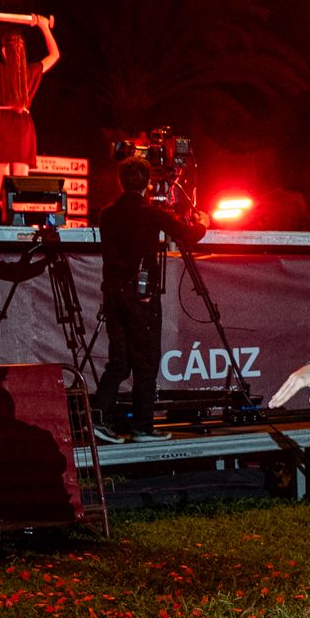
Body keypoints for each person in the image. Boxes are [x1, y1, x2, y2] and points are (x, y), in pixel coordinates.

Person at [92, 159, 201, 438]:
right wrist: (203, 223)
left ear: (121, 182)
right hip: (141, 298)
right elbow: (188, 234)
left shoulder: (107, 215)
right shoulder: (151, 213)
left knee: (119, 361)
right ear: (147, 183)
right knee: (146, 362)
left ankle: (98, 419)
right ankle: (142, 426)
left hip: (113, 296)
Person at [0, 11, 60, 216]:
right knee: (19, 183)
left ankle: (7, 218)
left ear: (4, 52)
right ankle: (17, 221)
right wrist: (43, 28)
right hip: (22, 125)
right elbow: (55, 55)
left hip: (0, 124)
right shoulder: (32, 71)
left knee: (2, 184)